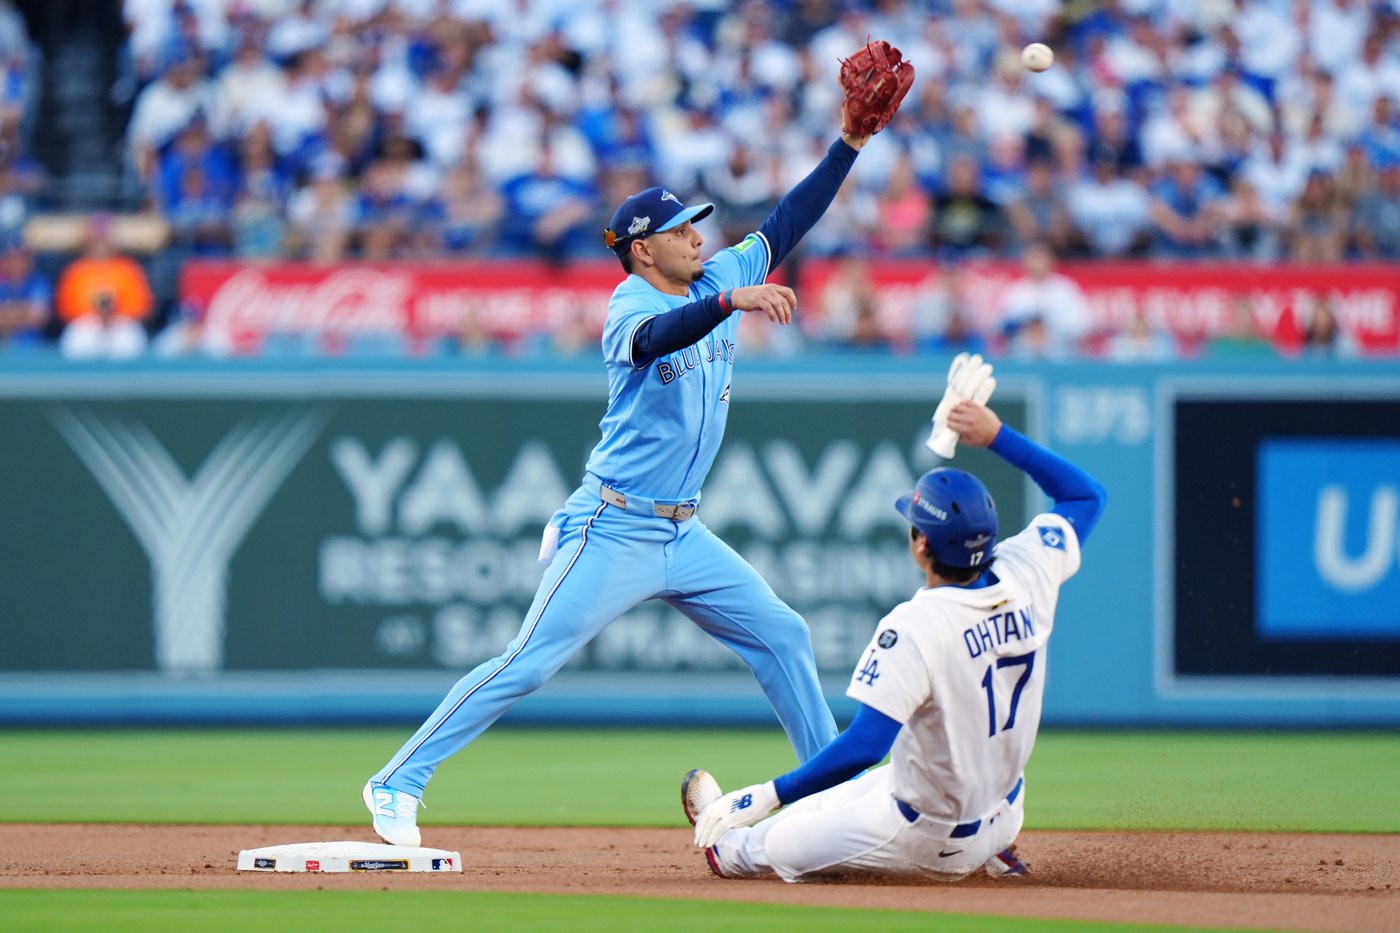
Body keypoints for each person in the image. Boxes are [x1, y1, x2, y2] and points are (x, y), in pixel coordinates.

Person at [362, 48, 909, 847]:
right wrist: (730, 299)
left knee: (784, 633)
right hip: (611, 526)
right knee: (528, 662)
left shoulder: (714, 273)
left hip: (682, 533)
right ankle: (395, 779)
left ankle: (838, 802)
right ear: (643, 247)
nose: (699, 235)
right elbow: (659, 336)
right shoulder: (630, 303)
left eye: (698, 226)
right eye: (683, 229)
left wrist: (849, 143)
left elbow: (789, 219)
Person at [682, 393, 1106, 883]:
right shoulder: (1028, 569)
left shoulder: (916, 625)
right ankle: (998, 851)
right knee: (862, 789)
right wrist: (996, 436)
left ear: (921, 544)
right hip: (1006, 810)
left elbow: (865, 743)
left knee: (771, 843)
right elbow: (1086, 496)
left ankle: (729, 846)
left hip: (932, 838)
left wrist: (768, 793)